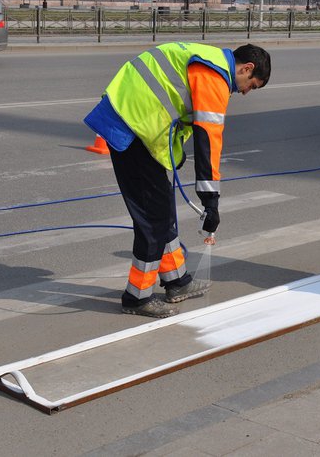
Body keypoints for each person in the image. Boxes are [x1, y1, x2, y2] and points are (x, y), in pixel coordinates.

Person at [84, 43, 271, 318]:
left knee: (162, 210)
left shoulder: (210, 60)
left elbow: (172, 106)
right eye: (251, 85)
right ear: (247, 68)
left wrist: (174, 151)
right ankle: (137, 297)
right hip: (130, 129)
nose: (245, 91)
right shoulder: (214, 75)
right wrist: (210, 201)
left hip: (138, 126)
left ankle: (176, 281)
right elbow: (208, 140)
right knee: (153, 219)